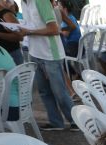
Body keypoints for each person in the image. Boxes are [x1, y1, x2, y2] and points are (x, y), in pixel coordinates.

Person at [20, 0, 76, 131]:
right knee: (44, 91)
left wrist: (28, 32)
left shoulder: (41, 1)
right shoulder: (24, 4)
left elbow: (54, 29)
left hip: (51, 54)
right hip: (35, 52)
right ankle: (56, 122)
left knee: (59, 91)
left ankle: (76, 121)